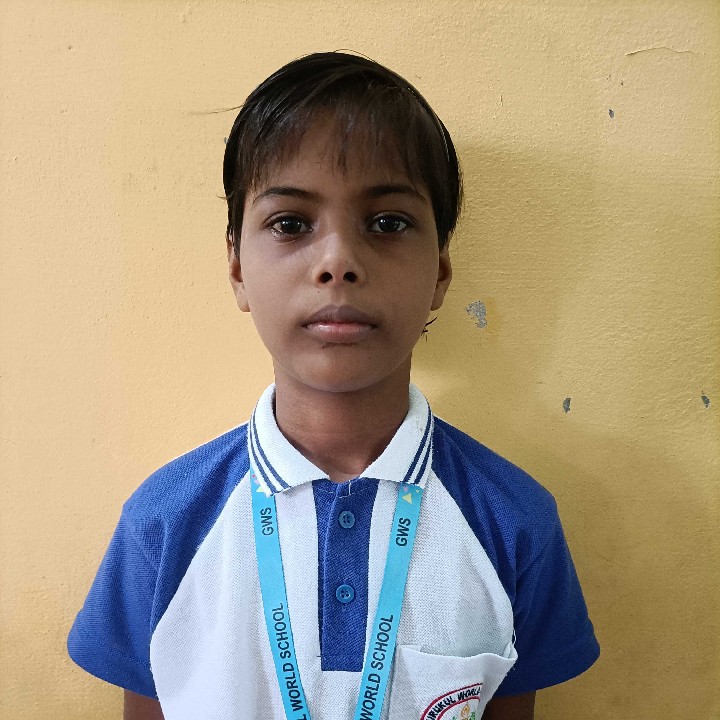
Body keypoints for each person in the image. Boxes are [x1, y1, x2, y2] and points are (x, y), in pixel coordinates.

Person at [68, 52, 599, 720]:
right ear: (237, 267)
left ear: (440, 274)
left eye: (387, 223)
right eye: (291, 223)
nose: (339, 261)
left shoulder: (514, 521)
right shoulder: (165, 523)